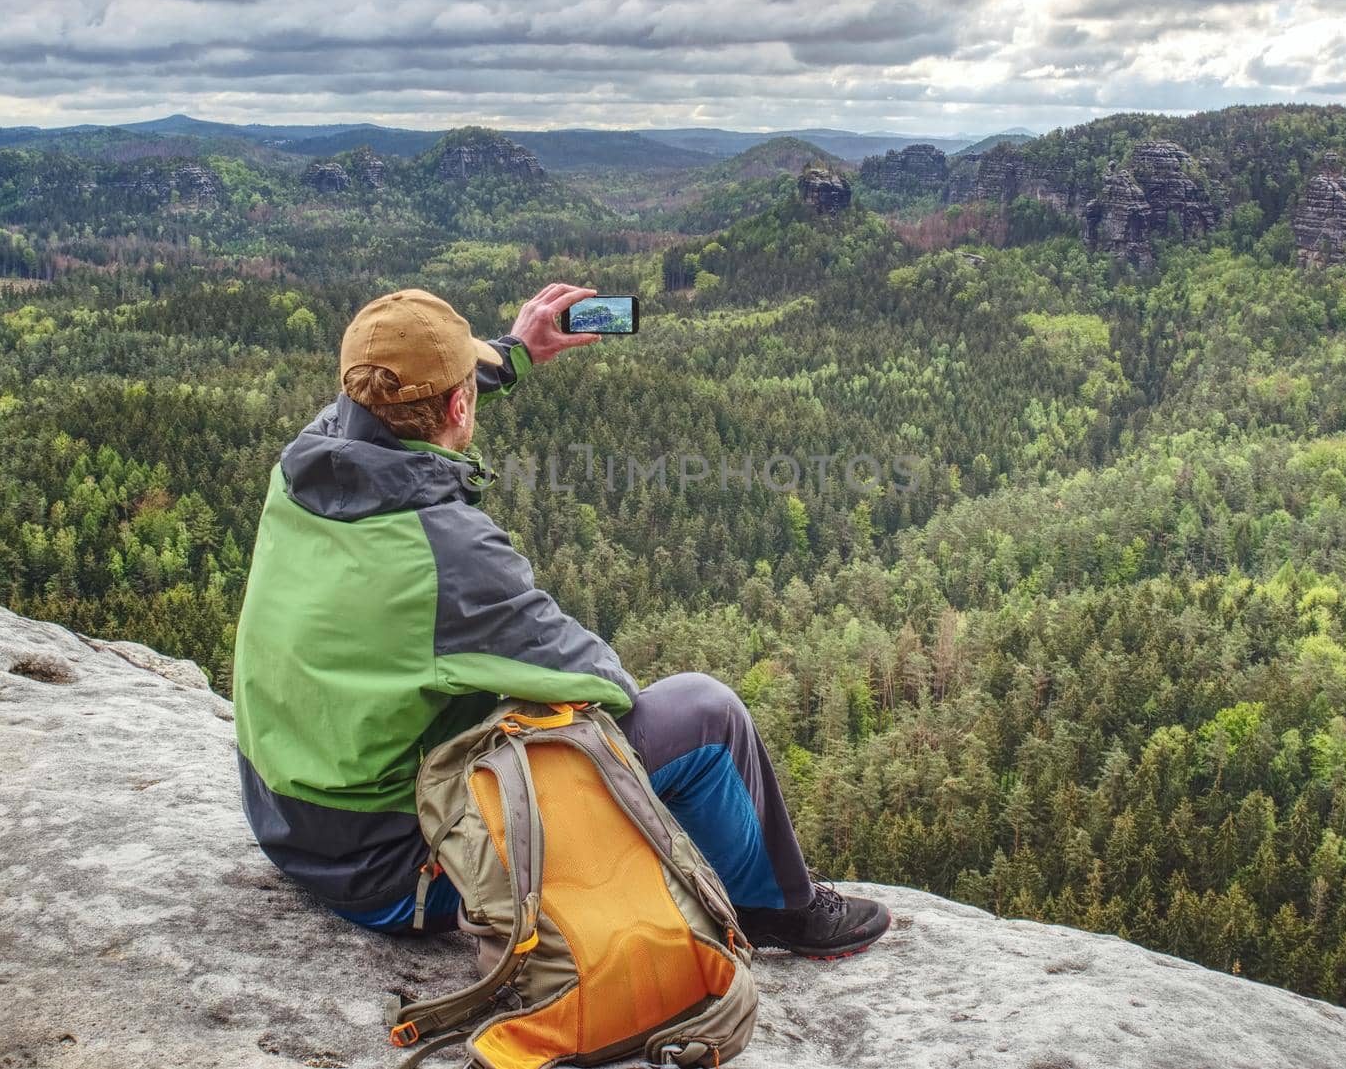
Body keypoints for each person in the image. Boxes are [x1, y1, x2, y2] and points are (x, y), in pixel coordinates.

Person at [232, 284, 890, 958]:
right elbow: (606, 685)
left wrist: (515, 352)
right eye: (469, 387)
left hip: (288, 828)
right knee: (708, 716)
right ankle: (777, 907)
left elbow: (407, 399)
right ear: (461, 404)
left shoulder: (306, 463)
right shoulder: (446, 552)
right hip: (397, 876)